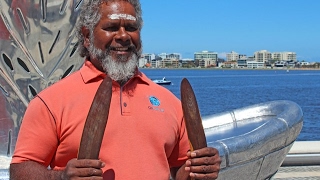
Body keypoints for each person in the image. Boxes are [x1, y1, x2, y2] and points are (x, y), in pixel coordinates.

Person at [9, 0, 221, 179]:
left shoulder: (169, 102)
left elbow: (177, 170)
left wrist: (201, 168)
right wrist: (61, 176)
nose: (123, 36)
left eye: (131, 28)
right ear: (86, 36)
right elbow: (19, 170)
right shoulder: (52, 102)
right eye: (111, 27)